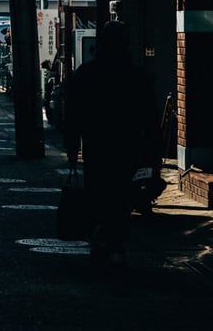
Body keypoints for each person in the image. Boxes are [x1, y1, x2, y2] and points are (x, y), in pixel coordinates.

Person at [63, 20, 158, 265]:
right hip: (127, 146)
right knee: (122, 194)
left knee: (97, 192)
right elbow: (150, 117)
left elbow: (72, 114)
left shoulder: (86, 74)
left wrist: (72, 147)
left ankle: (101, 237)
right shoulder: (137, 76)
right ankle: (114, 238)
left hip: (96, 146)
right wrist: (151, 152)